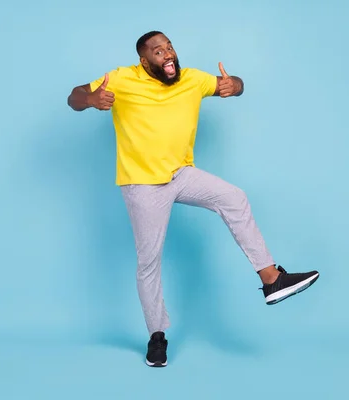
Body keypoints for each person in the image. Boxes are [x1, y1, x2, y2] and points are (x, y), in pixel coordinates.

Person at [67, 30, 320, 367]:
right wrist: (91, 100)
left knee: (234, 197)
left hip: (180, 174)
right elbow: (75, 96)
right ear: (144, 61)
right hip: (142, 184)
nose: (167, 54)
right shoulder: (122, 78)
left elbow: (230, 83)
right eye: (158, 51)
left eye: (169, 47)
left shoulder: (192, 79)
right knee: (149, 262)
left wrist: (236, 85)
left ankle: (271, 280)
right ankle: (157, 336)